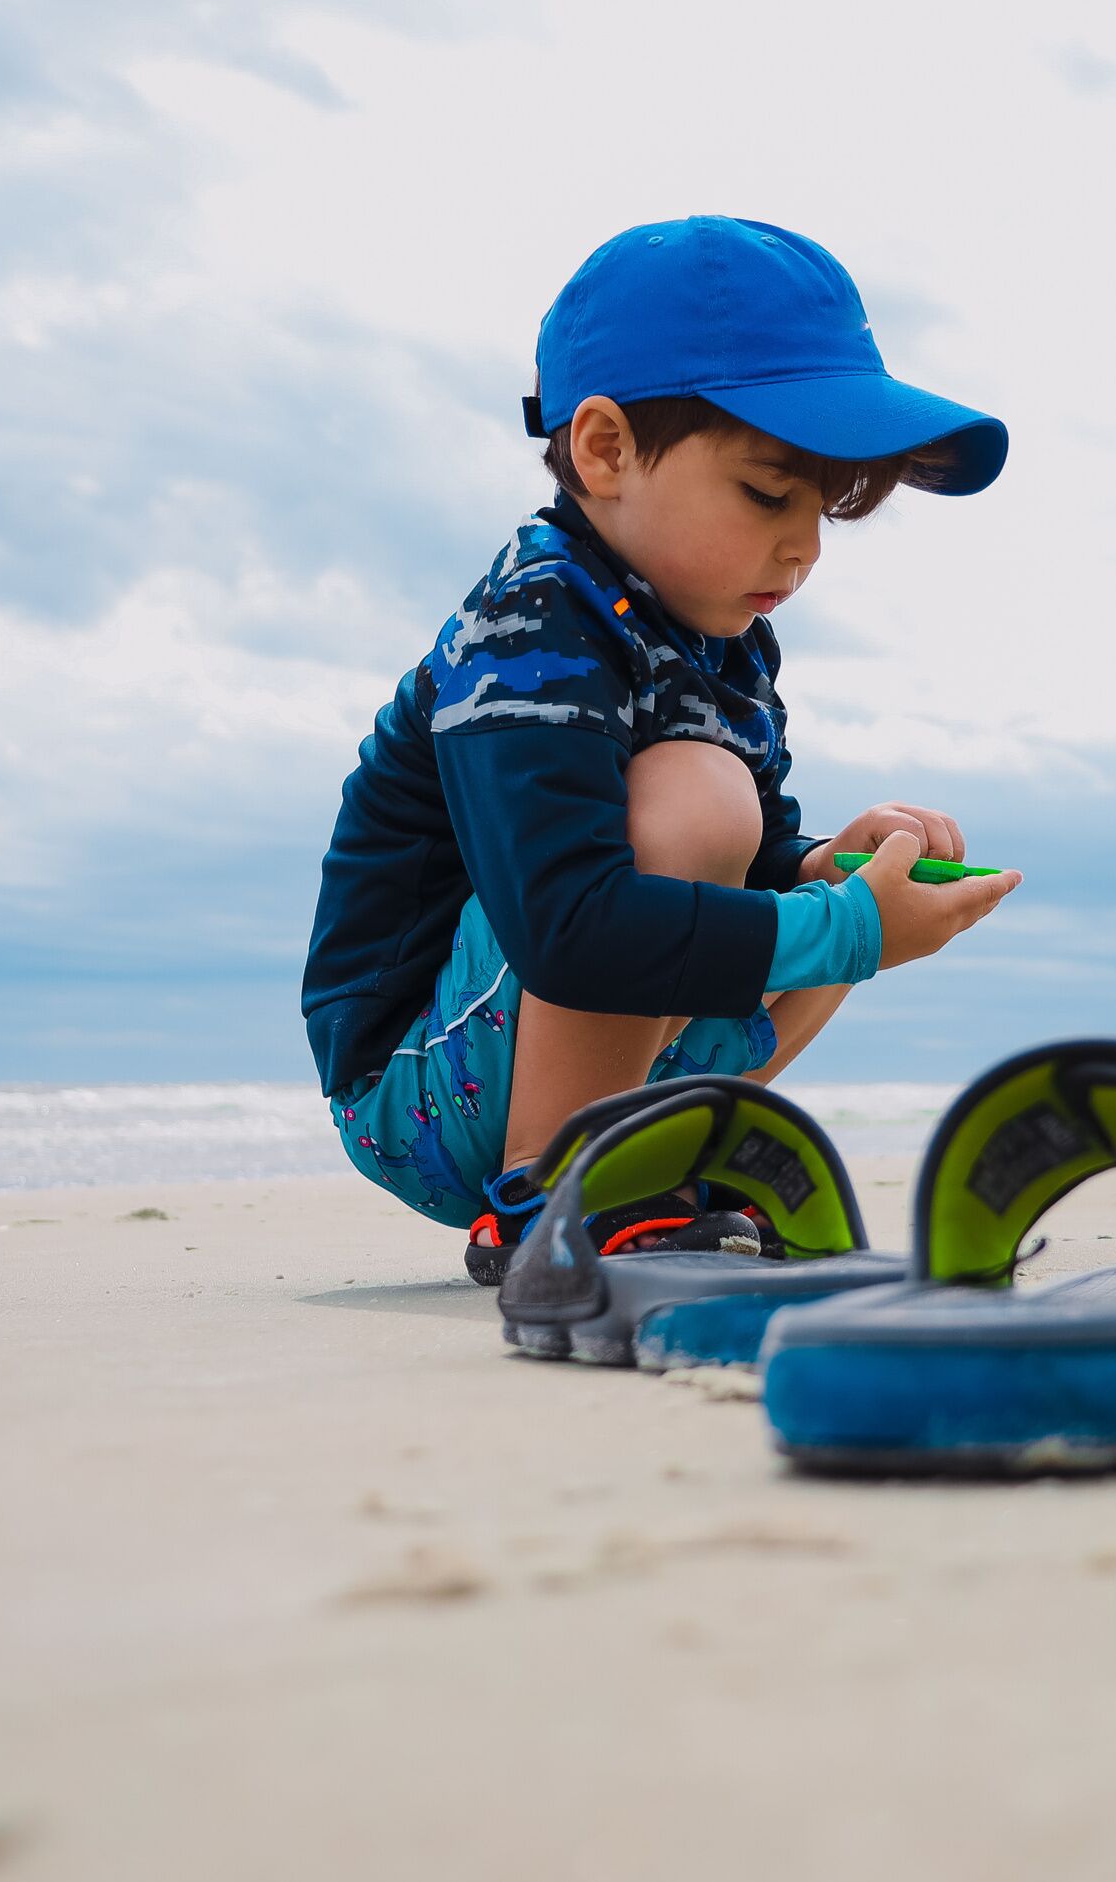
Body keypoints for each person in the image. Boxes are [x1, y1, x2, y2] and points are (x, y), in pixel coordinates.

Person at [302, 217, 1023, 1283]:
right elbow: (572, 926)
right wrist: (852, 926)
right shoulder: (529, 624)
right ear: (604, 450)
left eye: (824, 508)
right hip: (411, 1084)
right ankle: (568, 1186)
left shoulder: (721, 637)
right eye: (770, 493)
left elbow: (754, 852)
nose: (806, 544)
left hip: (558, 1021)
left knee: (813, 877)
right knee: (715, 811)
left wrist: (827, 869)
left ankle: (659, 1164)